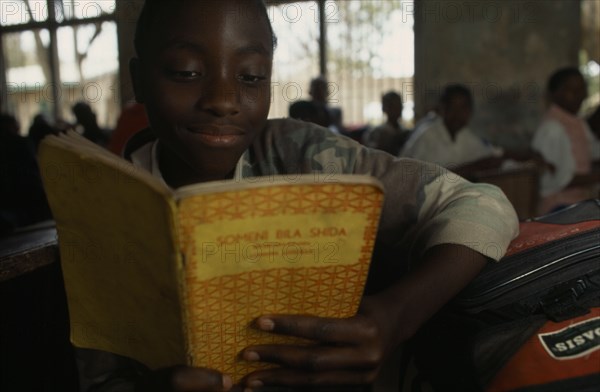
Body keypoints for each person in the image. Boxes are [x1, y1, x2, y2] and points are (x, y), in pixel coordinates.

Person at [76, 1, 519, 391]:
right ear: (139, 79)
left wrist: (394, 318)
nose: (224, 100)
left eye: (250, 76)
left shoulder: (304, 156)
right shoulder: (106, 208)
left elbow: (481, 204)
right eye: (187, 72)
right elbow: (96, 376)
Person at [400, 84, 544, 178]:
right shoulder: (428, 135)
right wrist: (475, 166)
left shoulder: (464, 135)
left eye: (463, 108)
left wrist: (527, 155)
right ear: (442, 109)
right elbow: (429, 179)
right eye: (452, 108)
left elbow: (495, 154)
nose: (458, 114)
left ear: (470, 112)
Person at [532, 67, 600, 214]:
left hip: (580, 202)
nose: (580, 95)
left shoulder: (578, 123)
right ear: (554, 94)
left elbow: (592, 155)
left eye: (582, 90)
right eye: (572, 91)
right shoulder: (553, 129)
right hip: (558, 207)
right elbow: (562, 180)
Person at [362, 91, 410, 155]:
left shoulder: (406, 133)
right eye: (392, 106)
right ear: (384, 109)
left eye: (399, 105)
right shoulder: (376, 133)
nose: (397, 109)